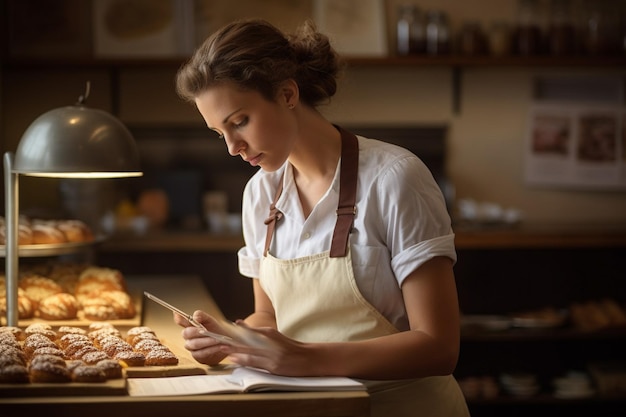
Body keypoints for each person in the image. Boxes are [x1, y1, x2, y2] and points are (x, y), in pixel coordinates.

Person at [173, 18, 469, 416]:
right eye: (218, 132)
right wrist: (232, 340)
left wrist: (307, 359)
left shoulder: (394, 178)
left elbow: (439, 347)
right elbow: (269, 316)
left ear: (288, 94)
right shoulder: (260, 193)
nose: (232, 147)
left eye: (239, 121)